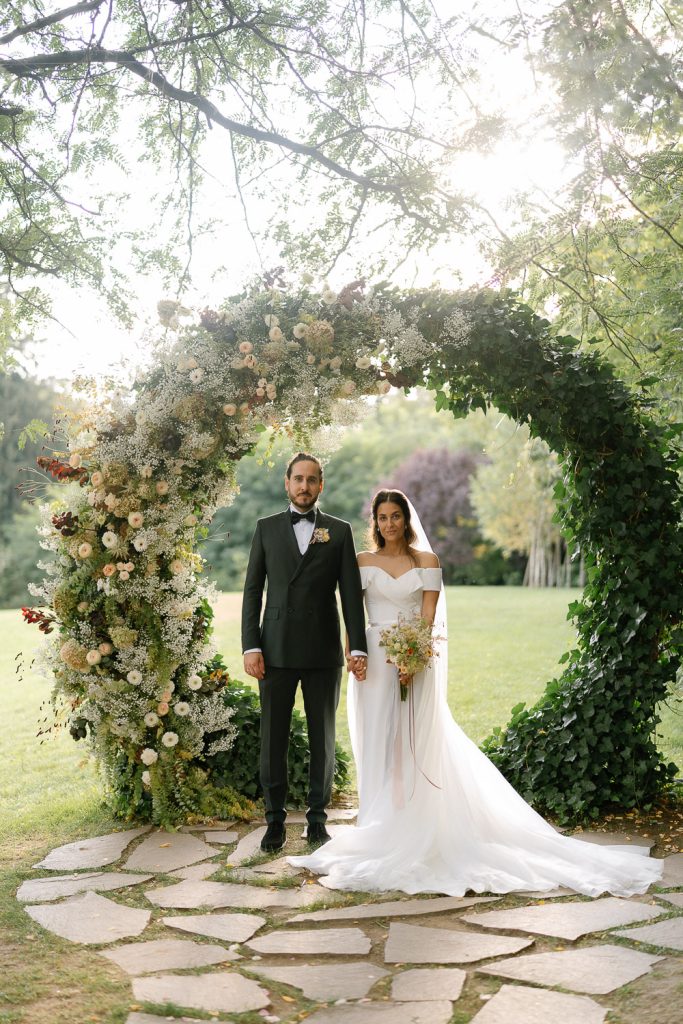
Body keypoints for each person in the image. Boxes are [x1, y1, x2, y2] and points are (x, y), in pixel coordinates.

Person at [288, 489, 663, 897]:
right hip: (374, 664)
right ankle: (376, 820)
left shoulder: (427, 562)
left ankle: (411, 819)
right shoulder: (362, 562)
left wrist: (414, 658)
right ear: (374, 523)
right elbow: (352, 614)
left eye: (396, 516)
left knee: (413, 740)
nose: (389, 524)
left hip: (413, 658)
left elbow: (427, 619)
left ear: (406, 520)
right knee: (378, 736)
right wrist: (354, 651)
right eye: (382, 518)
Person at [241, 452, 368, 852]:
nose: (304, 486)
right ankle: (274, 821)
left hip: (321, 649)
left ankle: (317, 819)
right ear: (286, 483)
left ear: (321, 485)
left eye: (312, 480)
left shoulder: (340, 532)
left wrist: (358, 647)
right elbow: (251, 591)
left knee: (323, 738)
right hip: (274, 649)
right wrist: (251, 645)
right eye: (298, 479)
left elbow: (350, 596)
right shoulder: (265, 529)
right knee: (273, 738)